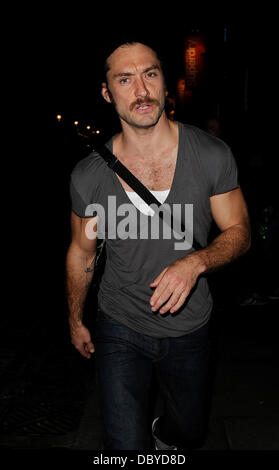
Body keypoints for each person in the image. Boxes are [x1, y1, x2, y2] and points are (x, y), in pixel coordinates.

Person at [66, 38, 251, 451]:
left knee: (186, 433)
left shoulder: (211, 155)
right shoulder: (88, 175)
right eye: (125, 79)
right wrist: (77, 320)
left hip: (191, 328)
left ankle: (166, 434)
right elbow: (81, 252)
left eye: (150, 74)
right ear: (107, 92)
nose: (141, 90)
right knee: (123, 446)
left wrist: (196, 262)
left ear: (165, 82)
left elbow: (239, 232)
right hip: (119, 324)